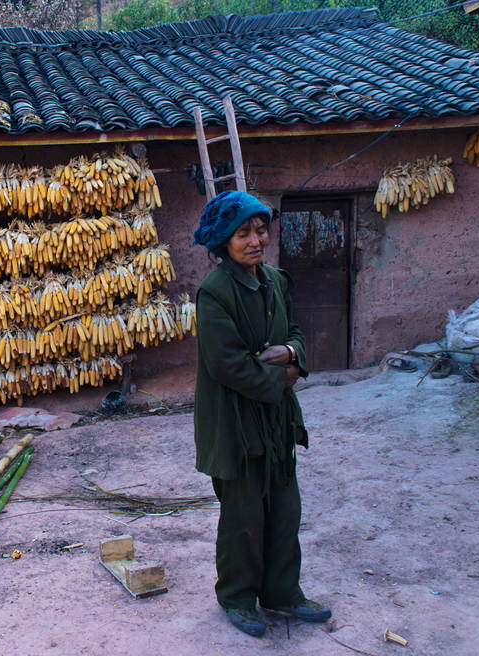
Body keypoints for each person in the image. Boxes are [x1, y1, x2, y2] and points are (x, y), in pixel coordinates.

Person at [191, 190, 331, 638]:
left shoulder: (275, 280)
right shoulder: (215, 293)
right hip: (234, 421)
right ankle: (237, 597)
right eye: (242, 234)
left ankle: (282, 593)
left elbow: (294, 332)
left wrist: (290, 352)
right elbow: (226, 365)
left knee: (285, 507)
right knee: (244, 515)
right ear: (223, 242)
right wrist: (282, 378)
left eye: (260, 230)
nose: (256, 241)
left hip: (275, 421)